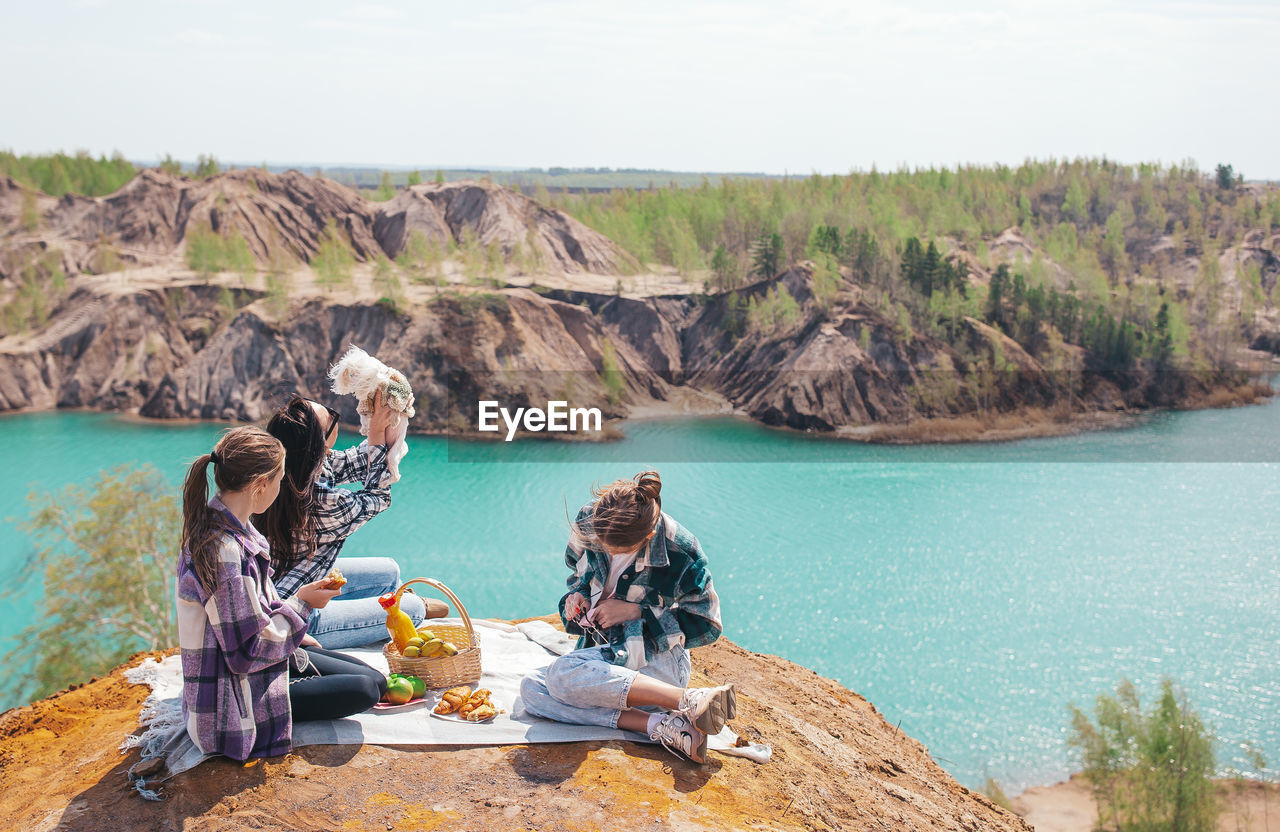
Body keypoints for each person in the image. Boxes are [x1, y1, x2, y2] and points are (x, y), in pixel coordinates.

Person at [176, 426, 386, 761]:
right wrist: (302, 604)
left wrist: (295, 627)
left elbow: (256, 611)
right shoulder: (223, 551)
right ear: (260, 485)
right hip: (231, 706)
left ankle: (293, 675)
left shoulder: (234, 528)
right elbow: (247, 652)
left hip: (248, 671)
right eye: (279, 480)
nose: (282, 487)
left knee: (376, 680)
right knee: (364, 690)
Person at [519, 470, 736, 764]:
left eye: (619, 550)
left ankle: (687, 699)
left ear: (647, 536)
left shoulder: (681, 550)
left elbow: (706, 623)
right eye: (603, 546)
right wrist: (578, 596)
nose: (607, 552)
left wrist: (636, 613)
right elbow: (577, 576)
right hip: (603, 656)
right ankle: (665, 726)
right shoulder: (588, 520)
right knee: (532, 689)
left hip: (655, 663)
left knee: (560, 676)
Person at [258, 394, 446, 650]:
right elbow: (378, 498)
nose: (335, 416)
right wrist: (377, 432)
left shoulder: (294, 465)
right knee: (410, 609)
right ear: (319, 444)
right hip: (294, 615)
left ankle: (385, 606)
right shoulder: (318, 501)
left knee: (389, 570)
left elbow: (354, 461)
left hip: (296, 578)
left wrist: (380, 425)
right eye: (331, 418)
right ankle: (413, 608)